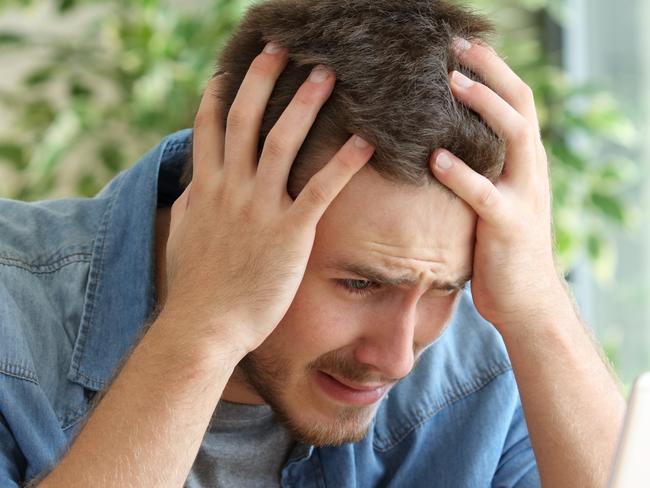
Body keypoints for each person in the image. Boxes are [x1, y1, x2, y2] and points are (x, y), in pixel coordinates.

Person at [0, 0, 624, 486]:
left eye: (444, 288)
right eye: (360, 283)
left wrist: (541, 309)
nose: (398, 358)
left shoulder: (480, 366)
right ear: (225, 210)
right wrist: (204, 325)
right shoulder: (13, 316)